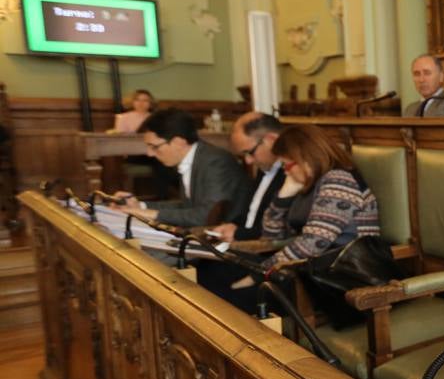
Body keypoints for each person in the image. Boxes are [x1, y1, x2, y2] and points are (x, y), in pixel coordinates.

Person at [256, 125, 380, 274]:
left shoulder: (338, 181)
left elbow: (312, 244)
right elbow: (270, 238)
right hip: (314, 268)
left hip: (345, 274)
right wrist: (283, 197)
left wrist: (260, 272)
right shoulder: (310, 182)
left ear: (303, 159)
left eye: (286, 165)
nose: (285, 171)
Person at [115, 108, 250, 227]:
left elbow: (207, 217)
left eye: (154, 146)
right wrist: (140, 206)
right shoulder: (194, 157)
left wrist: (148, 214)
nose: (149, 153)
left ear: (178, 142)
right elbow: (188, 206)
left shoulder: (215, 162)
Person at [209, 112, 286, 242]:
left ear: (271, 140)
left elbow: (281, 229)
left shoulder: (291, 175)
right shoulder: (264, 167)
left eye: (250, 153)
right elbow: (251, 215)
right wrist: (233, 225)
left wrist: (239, 234)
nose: (248, 161)